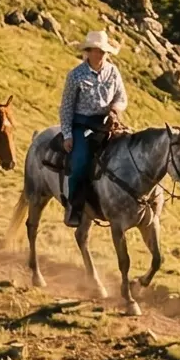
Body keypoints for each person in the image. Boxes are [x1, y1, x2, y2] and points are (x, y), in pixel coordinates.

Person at [58, 29, 129, 227]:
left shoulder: (113, 72)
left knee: (127, 152)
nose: (100, 55)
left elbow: (121, 98)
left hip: (108, 122)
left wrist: (115, 109)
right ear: (88, 51)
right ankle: (74, 206)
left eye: (103, 52)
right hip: (83, 125)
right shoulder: (75, 75)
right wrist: (67, 134)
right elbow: (66, 107)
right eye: (96, 50)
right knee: (80, 163)